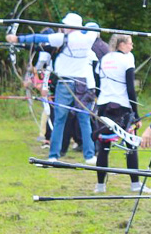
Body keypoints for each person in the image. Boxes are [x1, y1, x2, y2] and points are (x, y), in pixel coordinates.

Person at [8, 12, 97, 163]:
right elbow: (94, 27)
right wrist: (83, 29)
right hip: (83, 84)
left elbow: (39, 38)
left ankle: (53, 155)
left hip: (65, 84)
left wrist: (17, 38)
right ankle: (89, 156)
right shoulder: (89, 38)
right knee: (84, 119)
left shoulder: (62, 38)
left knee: (60, 120)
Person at [94, 34, 151, 194]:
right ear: (121, 44)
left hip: (103, 106)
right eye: (129, 43)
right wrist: (136, 114)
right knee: (131, 144)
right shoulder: (127, 59)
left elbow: (97, 84)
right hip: (122, 107)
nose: (132, 46)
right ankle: (135, 184)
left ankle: (100, 186)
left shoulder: (104, 59)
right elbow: (130, 88)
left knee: (104, 146)